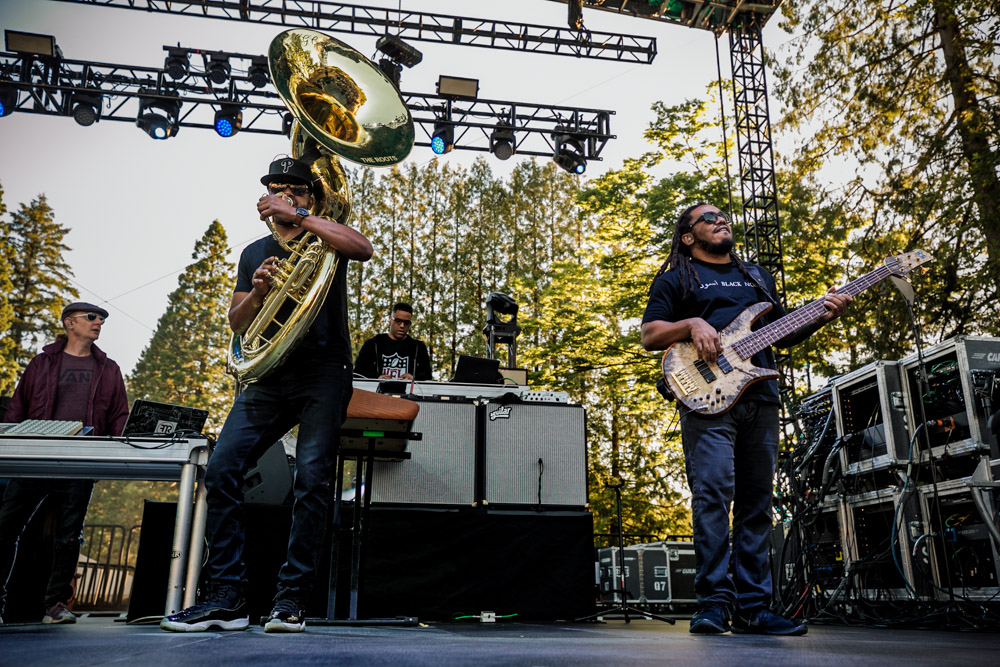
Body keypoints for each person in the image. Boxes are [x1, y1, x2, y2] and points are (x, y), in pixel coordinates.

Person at [160, 156, 372, 634]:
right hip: (268, 377)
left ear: (308, 197)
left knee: (313, 478)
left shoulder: (324, 237)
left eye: (293, 188)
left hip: (323, 370)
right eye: (276, 187)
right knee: (221, 469)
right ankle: (227, 597)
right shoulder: (254, 252)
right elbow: (238, 321)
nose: (283, 193)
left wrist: (301, 219)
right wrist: (257, 292)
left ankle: (290, 599)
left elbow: (363, 248)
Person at [640, 203, 851, 636]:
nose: (721, 220)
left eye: (724, 216)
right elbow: (651, 334)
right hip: (707, 399)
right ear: (688, 236)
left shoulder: (756, 276)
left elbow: (782, 333)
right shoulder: (677, 278)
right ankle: (714, 604)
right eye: (709, 217)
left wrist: (819, 317)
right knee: (713, 495)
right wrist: (693, 323)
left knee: (757, 504)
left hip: (762, 398)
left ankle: (754, 608)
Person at [0, 302, 129, 625]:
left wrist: (115, 455)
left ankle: (55, 605)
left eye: (102, 318)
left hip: (81, 459)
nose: (99, 322)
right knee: (6, 528)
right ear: (70, 323)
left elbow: (118, 415)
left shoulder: (109, 368)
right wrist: (11, 451)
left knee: (70, 536)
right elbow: (18, 407)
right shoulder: (41, 363)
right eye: (92, 317)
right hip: (35, 455)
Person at [354, 303, 432, 381]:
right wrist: (377, 378)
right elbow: (357, 373)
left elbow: (427, 376)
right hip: (376, 393)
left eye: (406, 323)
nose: (402, 325)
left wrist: (413, 378)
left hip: (408, 392)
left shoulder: (418, 347)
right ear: (390, 319)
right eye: (398, 321)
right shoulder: (373, 344)